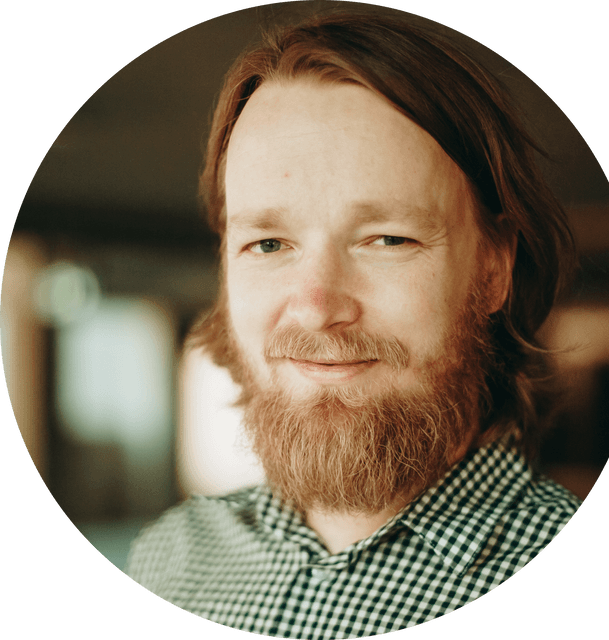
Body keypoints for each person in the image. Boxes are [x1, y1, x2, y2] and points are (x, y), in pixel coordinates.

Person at [126, 8, 581, 638]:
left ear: (494, 268)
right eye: (268, 243)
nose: (316, 307)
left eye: (388, 239)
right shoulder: (168, 561)